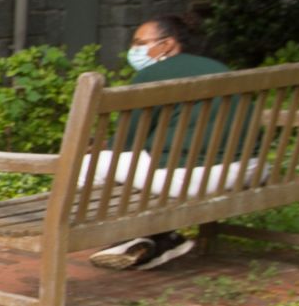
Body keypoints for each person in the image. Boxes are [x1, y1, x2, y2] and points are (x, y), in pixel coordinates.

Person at [90, 13, 230, 271]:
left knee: (91, 165)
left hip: (197, 174)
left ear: (166, 44)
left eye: (140, 43)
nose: (134, 50)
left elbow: (126, 141)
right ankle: (160, 237)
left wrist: (100, 148)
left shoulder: (153, 75)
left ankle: (125, 236)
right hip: (246, 168)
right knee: (143, 166)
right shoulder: (218, 68)